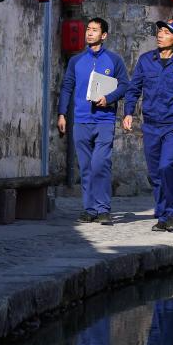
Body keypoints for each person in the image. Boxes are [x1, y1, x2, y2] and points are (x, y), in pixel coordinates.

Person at [123, 19, 173, 232]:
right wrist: (128, 112)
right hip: (151, 125)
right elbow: (134, 89)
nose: (160, 35)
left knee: (167, 165)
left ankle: (171, 212)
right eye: (159, 31)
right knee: (155, 172)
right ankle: (163, 210)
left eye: (166, 32)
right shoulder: (146, 60)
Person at [57, 18, 129, 225]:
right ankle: (90, 209)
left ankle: (103, 208)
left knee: (101, 164)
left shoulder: (114, 60)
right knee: (86, 166)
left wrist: (109, 99)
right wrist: (62, 113)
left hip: (104, 120)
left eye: (94, 30)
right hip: (80, 120)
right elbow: (66, 87)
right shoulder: (76, 61)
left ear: (103, 35)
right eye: (88, 29)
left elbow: (125, 85)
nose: (89, 33)